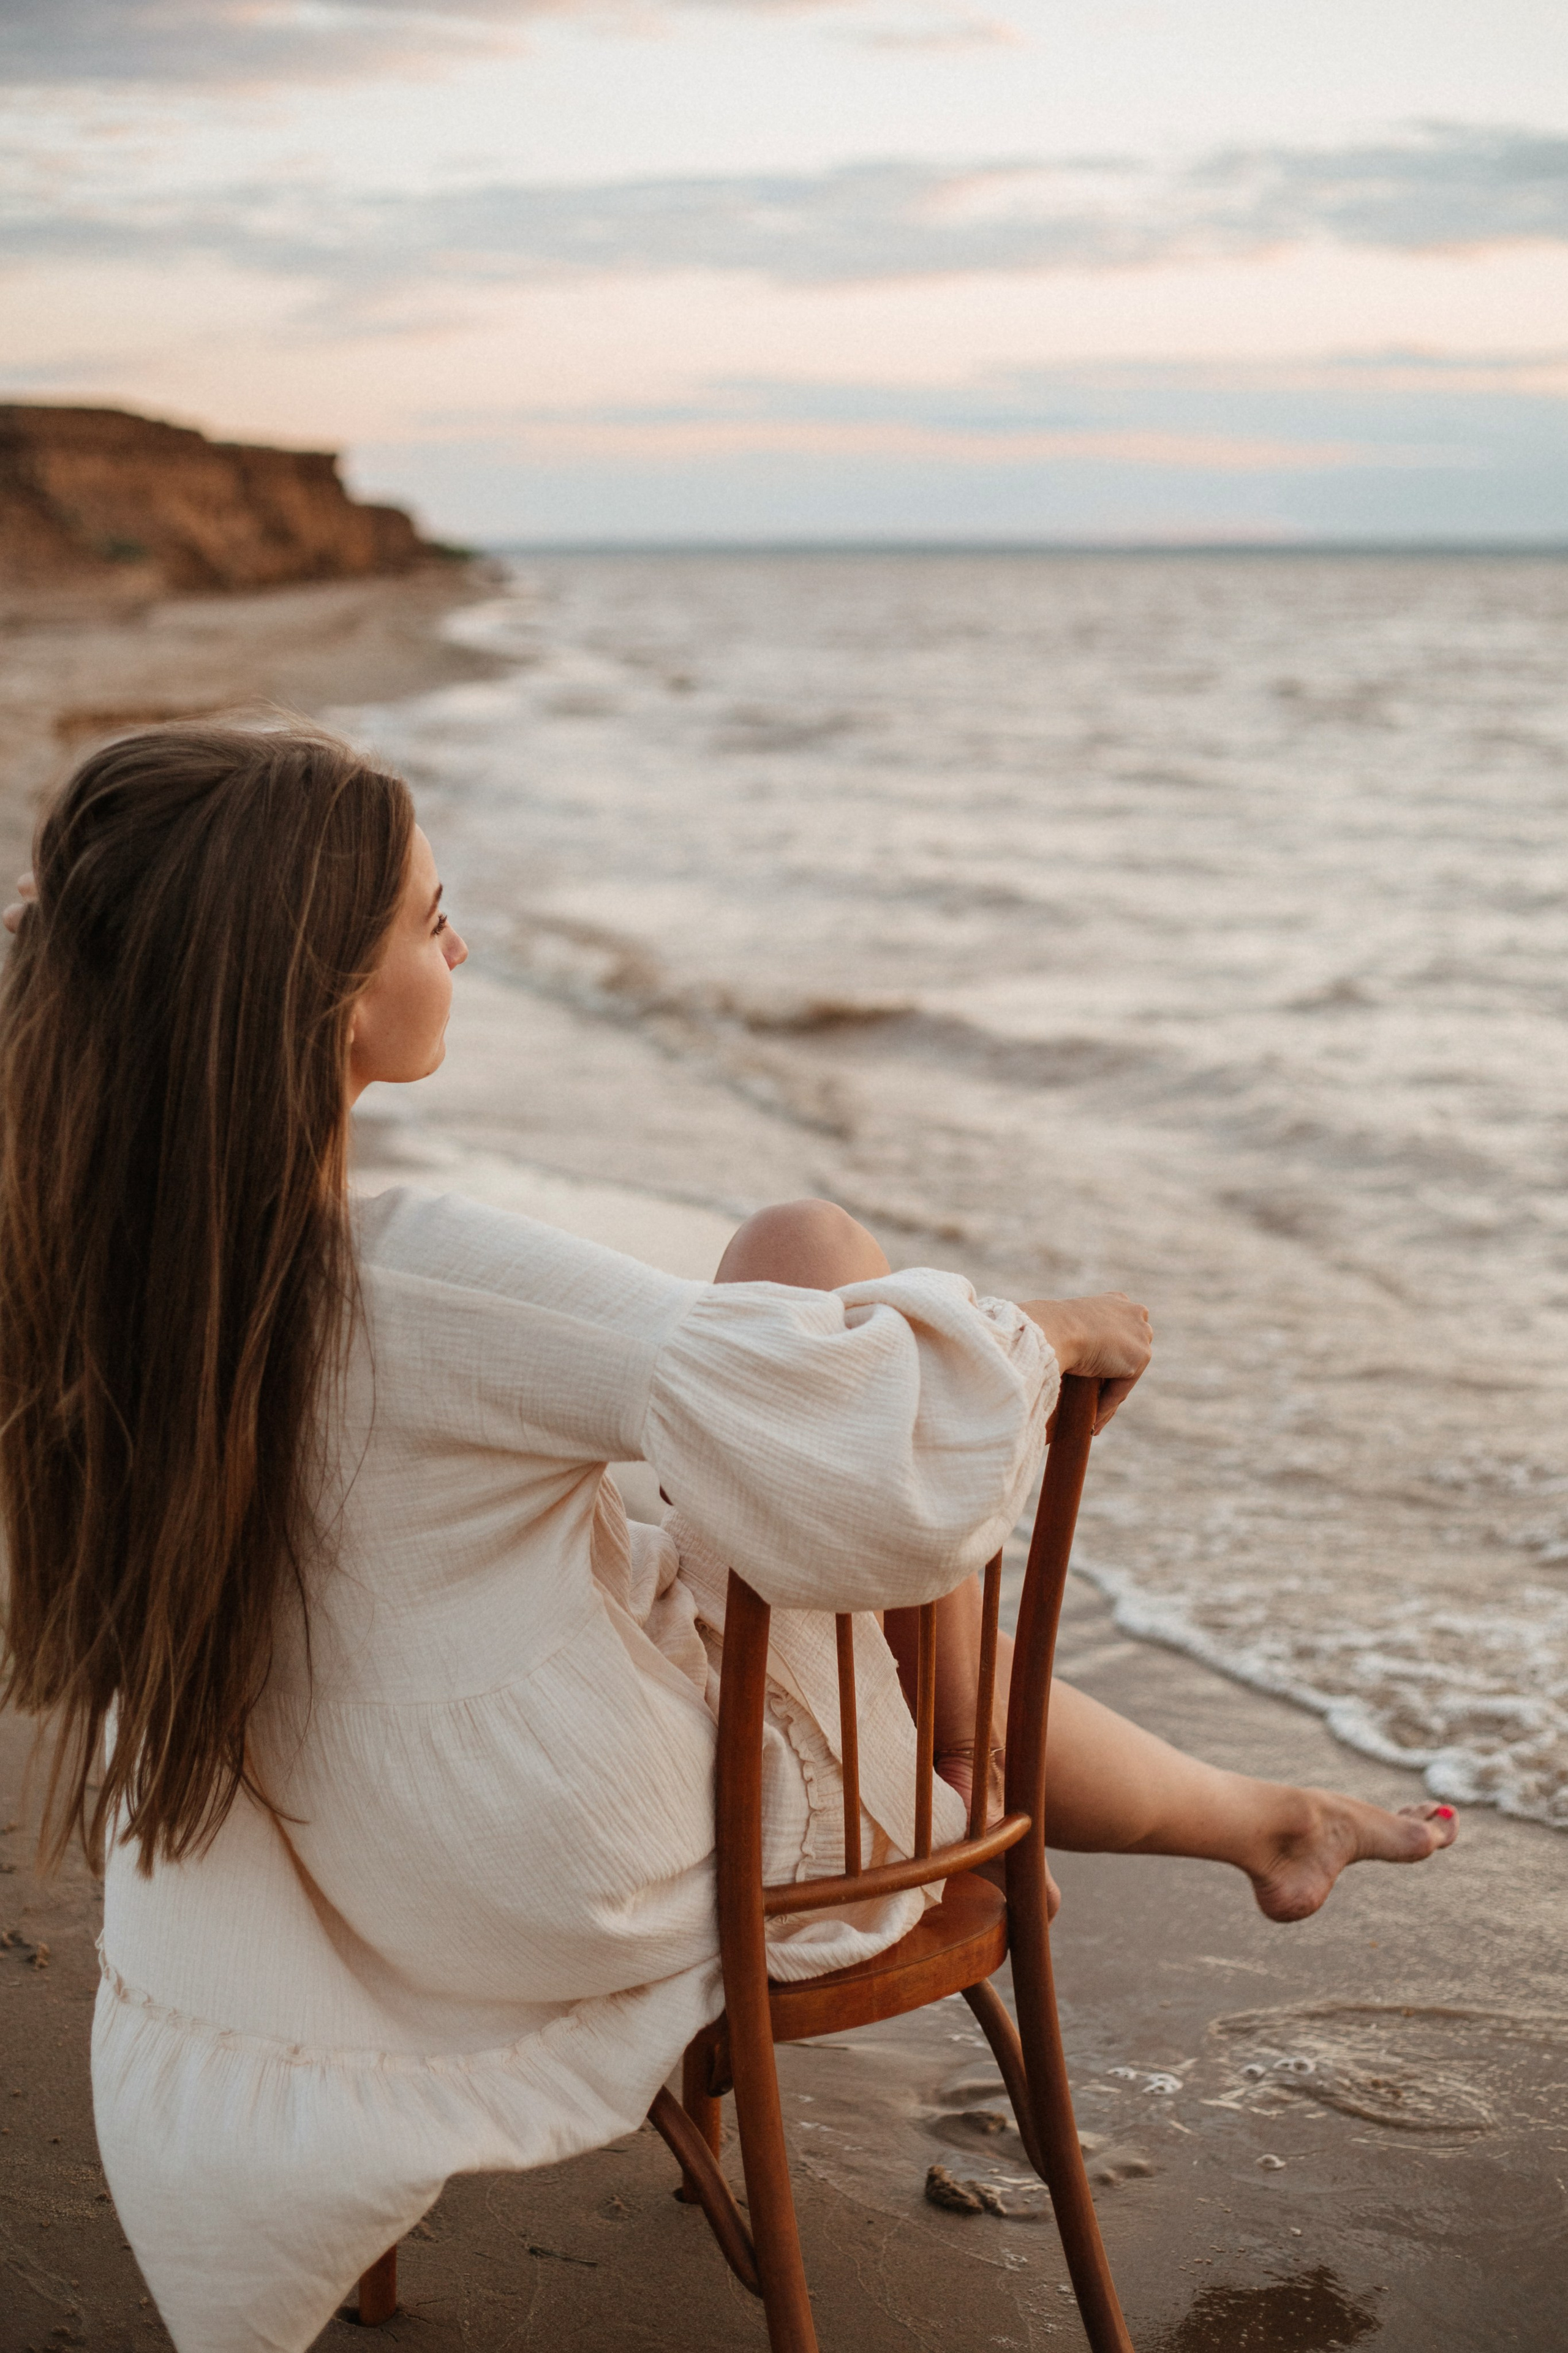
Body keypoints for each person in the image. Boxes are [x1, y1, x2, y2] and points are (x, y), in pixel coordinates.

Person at [0, 723, 1455, 2353]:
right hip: (586, 1862)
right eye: (431, 920)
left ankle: (1257, 1817)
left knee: (714, 1423)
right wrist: (1042, 1327)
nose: (461, 944)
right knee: (811, 1255)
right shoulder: (413, 1273)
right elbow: (844, 1433)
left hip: (397, 1843)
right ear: (338, 1007)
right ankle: (991, 1775)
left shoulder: (124, 1287)